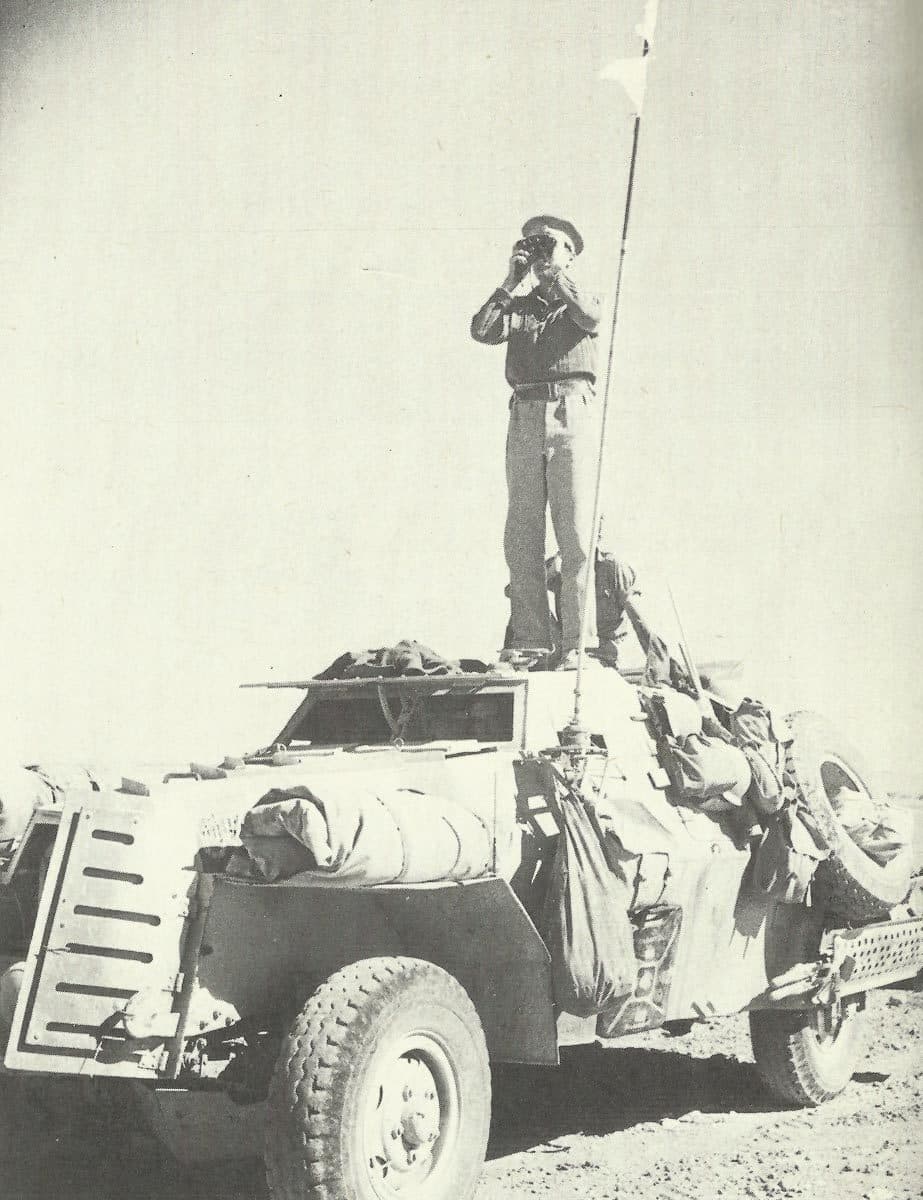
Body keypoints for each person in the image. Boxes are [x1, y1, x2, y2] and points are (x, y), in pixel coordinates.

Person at [471, 215, 601, 670]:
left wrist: (555, 277)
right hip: (525, 413)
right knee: (522, 533)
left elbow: (591, 314)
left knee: (576, 534)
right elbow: (482, 330)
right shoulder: (519, 307)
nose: (542, 251)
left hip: (571, 412)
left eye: (552, 244)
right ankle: (529, 640)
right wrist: (512, 281)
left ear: (570, 254)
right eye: (534, 244)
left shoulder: (578, 302)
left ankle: (577, 645)